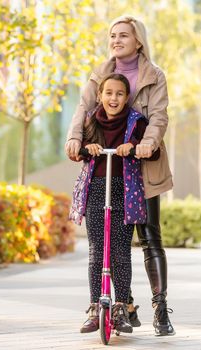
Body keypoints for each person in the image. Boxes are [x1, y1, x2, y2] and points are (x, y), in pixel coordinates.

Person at [65, 15, 175, 336]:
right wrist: (75, 138)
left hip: (143, 163)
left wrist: (146, 143)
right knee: (103, 243)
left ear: (138, 40)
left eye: (123, 35)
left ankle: (160, 308)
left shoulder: (154, 75)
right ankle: (118, 304)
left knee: (148, 237)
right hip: (109, 168)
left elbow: (158, 116)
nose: (116, 40)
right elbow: (83, 109)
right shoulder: (100, 73)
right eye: (113, 35)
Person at [70, 73, 158, 335]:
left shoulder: (136, 122)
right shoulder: (90, 121)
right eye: (108, 93)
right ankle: (95, 306)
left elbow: (153, 150)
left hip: (125, 192)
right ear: (100, 96)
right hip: (97, 189)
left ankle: (120, 307)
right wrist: (88, 148)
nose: (113, 98)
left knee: (120, 252)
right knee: (97, 251)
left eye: (119, 94)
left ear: (127, 97)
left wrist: (135, 146)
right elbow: (77, 150)